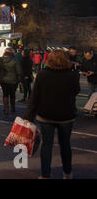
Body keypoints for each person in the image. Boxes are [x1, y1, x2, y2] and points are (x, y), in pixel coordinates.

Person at [24, 50, 80, 179]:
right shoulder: (73, 75)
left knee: (47, 145)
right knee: (65, 145)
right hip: (66, 115)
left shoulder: (43, 74)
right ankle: (67, 172)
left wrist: (28, 117)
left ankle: (46, 175)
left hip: (46, 115)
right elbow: (76, 91)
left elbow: (35, 97)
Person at [0, 47, 23, 115]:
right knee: (12, 94)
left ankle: (6, 109)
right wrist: (20, 79)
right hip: (13, 80)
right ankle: (13, 108)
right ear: (12, 53)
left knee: (5, 94)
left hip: (3, 80)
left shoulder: (1, 60)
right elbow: (19, 71)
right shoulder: (15, 60)